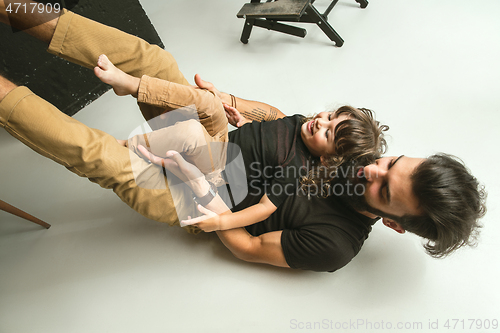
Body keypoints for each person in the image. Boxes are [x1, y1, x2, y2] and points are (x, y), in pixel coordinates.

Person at [0, 2, 486, 272]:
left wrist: (199, 192)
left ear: (397, 225)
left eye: (383, 188)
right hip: (210, 139)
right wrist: (234, 103)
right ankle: (16, 5)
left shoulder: (336, 244)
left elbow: (249, 247)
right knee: (154, 61)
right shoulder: (358, 149)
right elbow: (284, 119)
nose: (371, 169)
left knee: (96, 152)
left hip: (193, 194)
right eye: (392, 161)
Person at [92, 54, 389, 233]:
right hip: (223, 143)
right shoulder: (299, 121)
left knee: (192, 133)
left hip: (218, 176)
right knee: (209, 101)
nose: (320, 123)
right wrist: (245, 124)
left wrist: (223, 221)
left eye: (327, 134)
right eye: (330, 117)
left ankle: (123, 145)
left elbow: (264, 210)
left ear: (328, 159)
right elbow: (269, 137)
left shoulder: (297, 169)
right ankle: (131, 85)